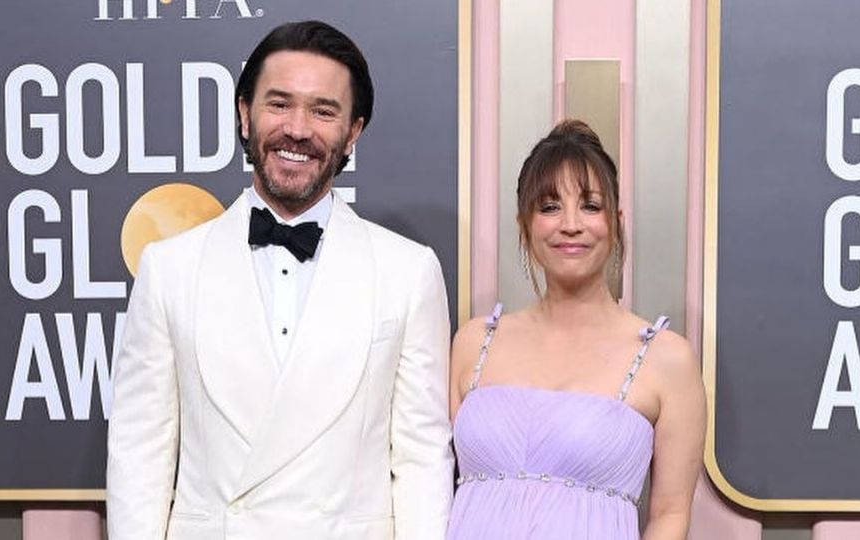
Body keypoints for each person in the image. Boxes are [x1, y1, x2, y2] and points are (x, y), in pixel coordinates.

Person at [107, 20, 453, 540]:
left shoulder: (407, 271)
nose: (297, 129)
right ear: (245, 114)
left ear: (353, 132)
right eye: (279, 103)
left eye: (323, 111)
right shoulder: (169, 269)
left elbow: (422, 459)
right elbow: (139, 453)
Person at [446, 120, 706, 540]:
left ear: (616, 222)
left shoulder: (666, 359)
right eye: (550, 207)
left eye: (590, 206)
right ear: (524, 224)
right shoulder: (475, 343)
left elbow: (670, 514)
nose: (570, 224)